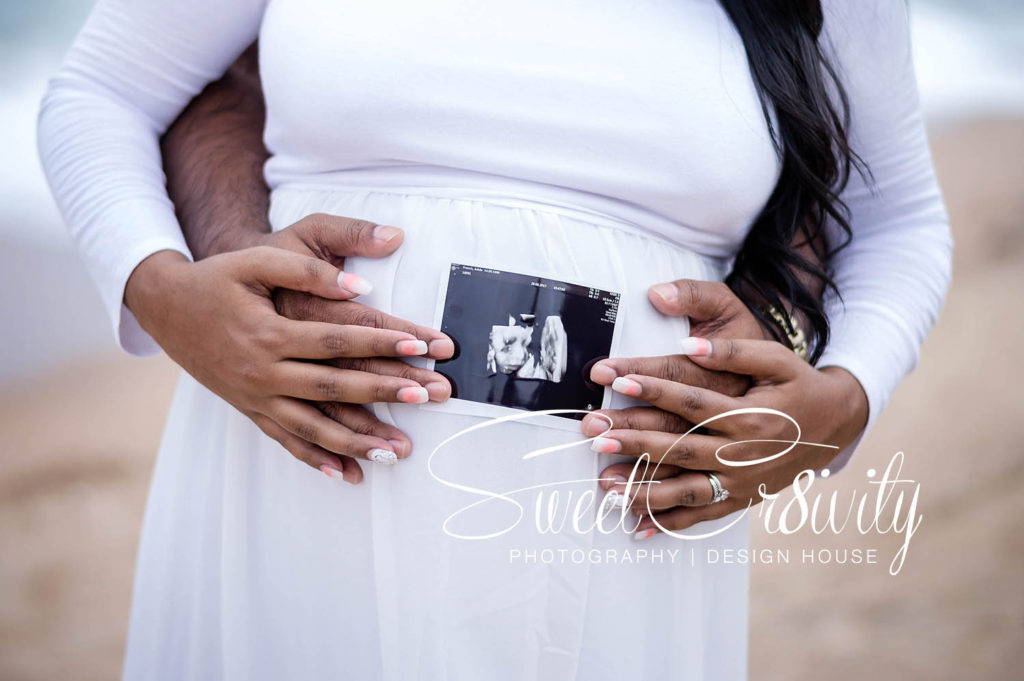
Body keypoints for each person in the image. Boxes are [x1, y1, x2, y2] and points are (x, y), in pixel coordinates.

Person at [37, 1, 951, 679]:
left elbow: (901, 221)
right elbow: (103, 92)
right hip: (306, 474)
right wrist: (160, 290)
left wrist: (843, 402)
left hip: (625, 519)